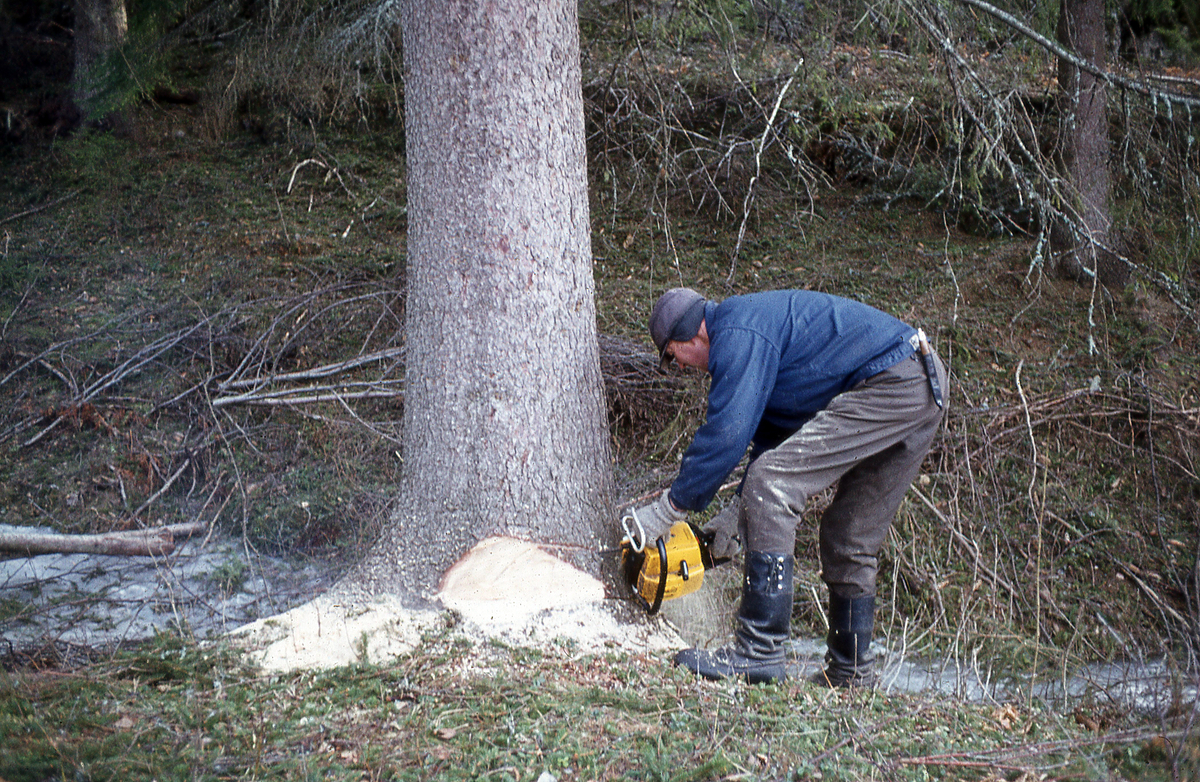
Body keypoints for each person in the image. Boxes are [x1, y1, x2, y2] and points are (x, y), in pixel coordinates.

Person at [630, 287, 946, 687]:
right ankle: (851, 673)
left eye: (673, 358)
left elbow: (726, 436)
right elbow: (773, 441)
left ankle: (759, 651)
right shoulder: (751, 333)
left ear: (691, 337)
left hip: (893, 380)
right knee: (849, 536)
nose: (679, 368)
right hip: (919, 383)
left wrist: (668, 510)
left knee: (772, 484)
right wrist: (735, 516)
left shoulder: (738, 332)